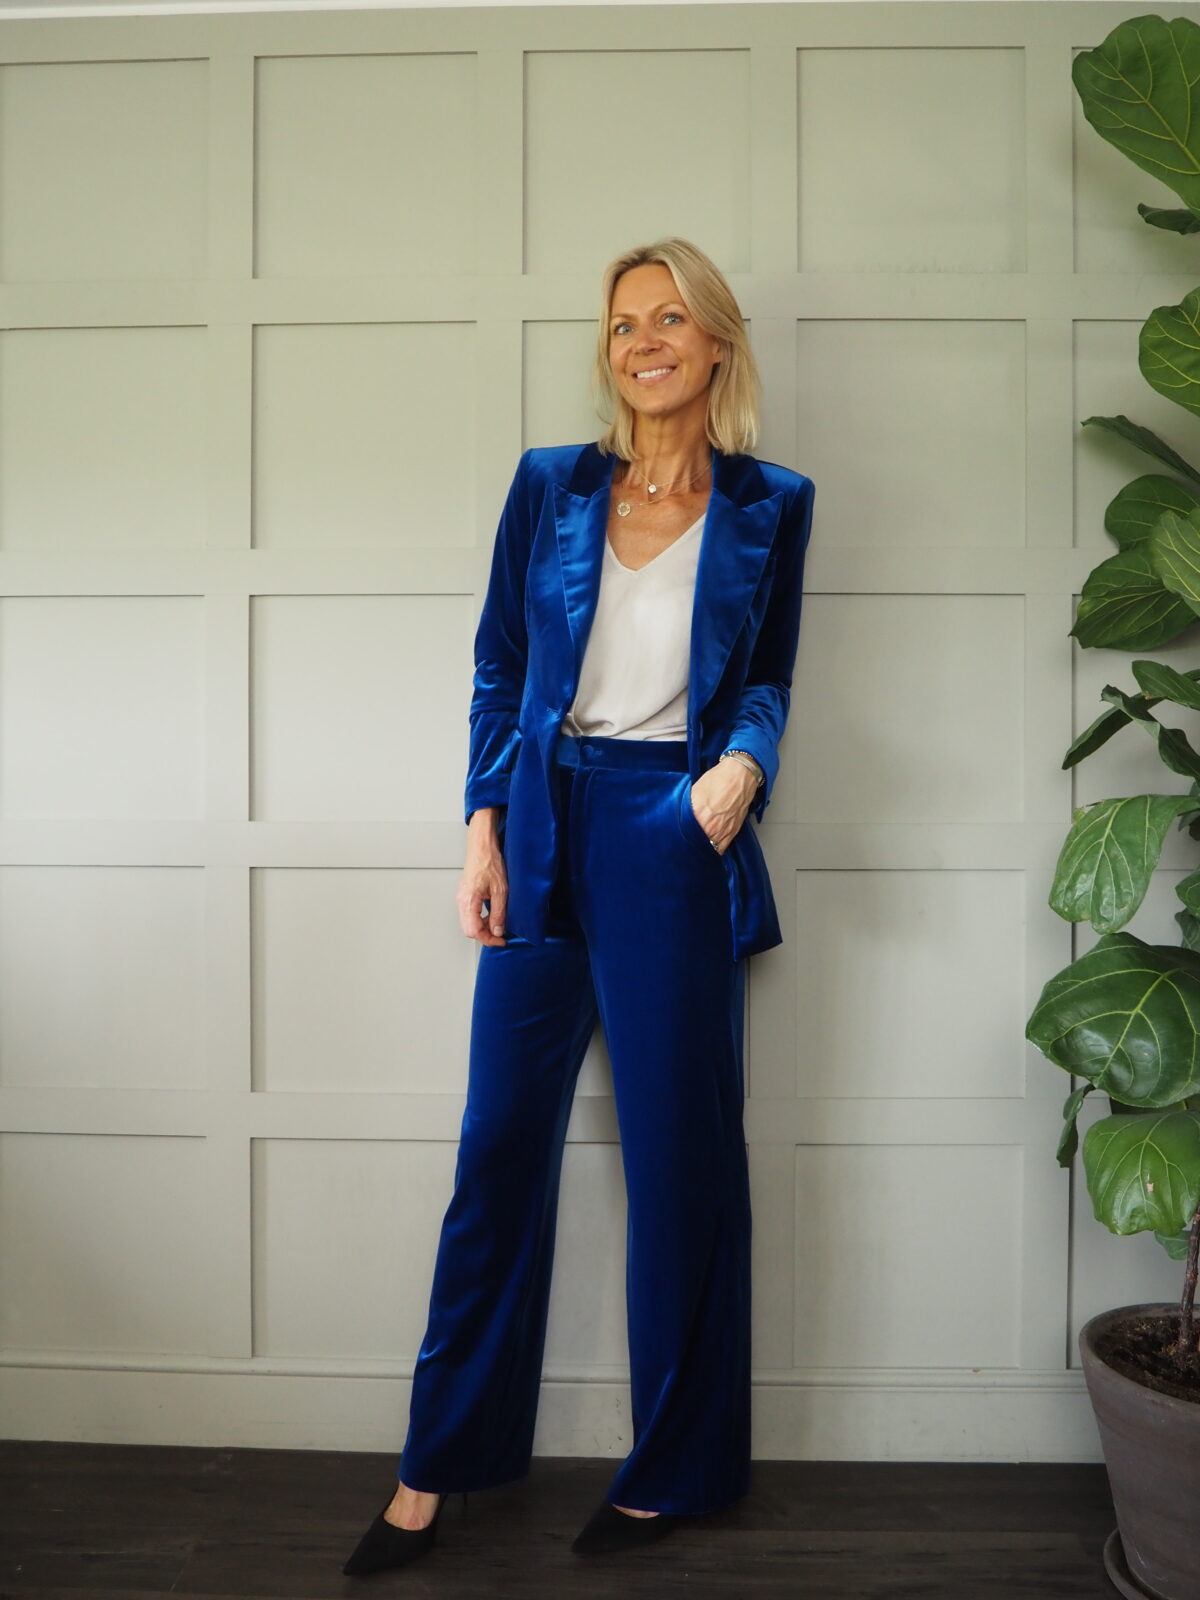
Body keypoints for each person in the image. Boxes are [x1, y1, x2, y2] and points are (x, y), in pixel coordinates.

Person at [342, 236, 815, 1575]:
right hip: (546, 824)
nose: (643, 342)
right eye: (622, 325)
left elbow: (770, 675)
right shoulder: (549, 485)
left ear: (716, 342)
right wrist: (481, 829)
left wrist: (746, 763)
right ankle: (438, 1464)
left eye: (669, 319)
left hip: (676, 828)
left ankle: (677, 1471)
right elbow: (501, 665)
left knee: (681, 1164)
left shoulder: (773, 505)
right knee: (499, 1150)